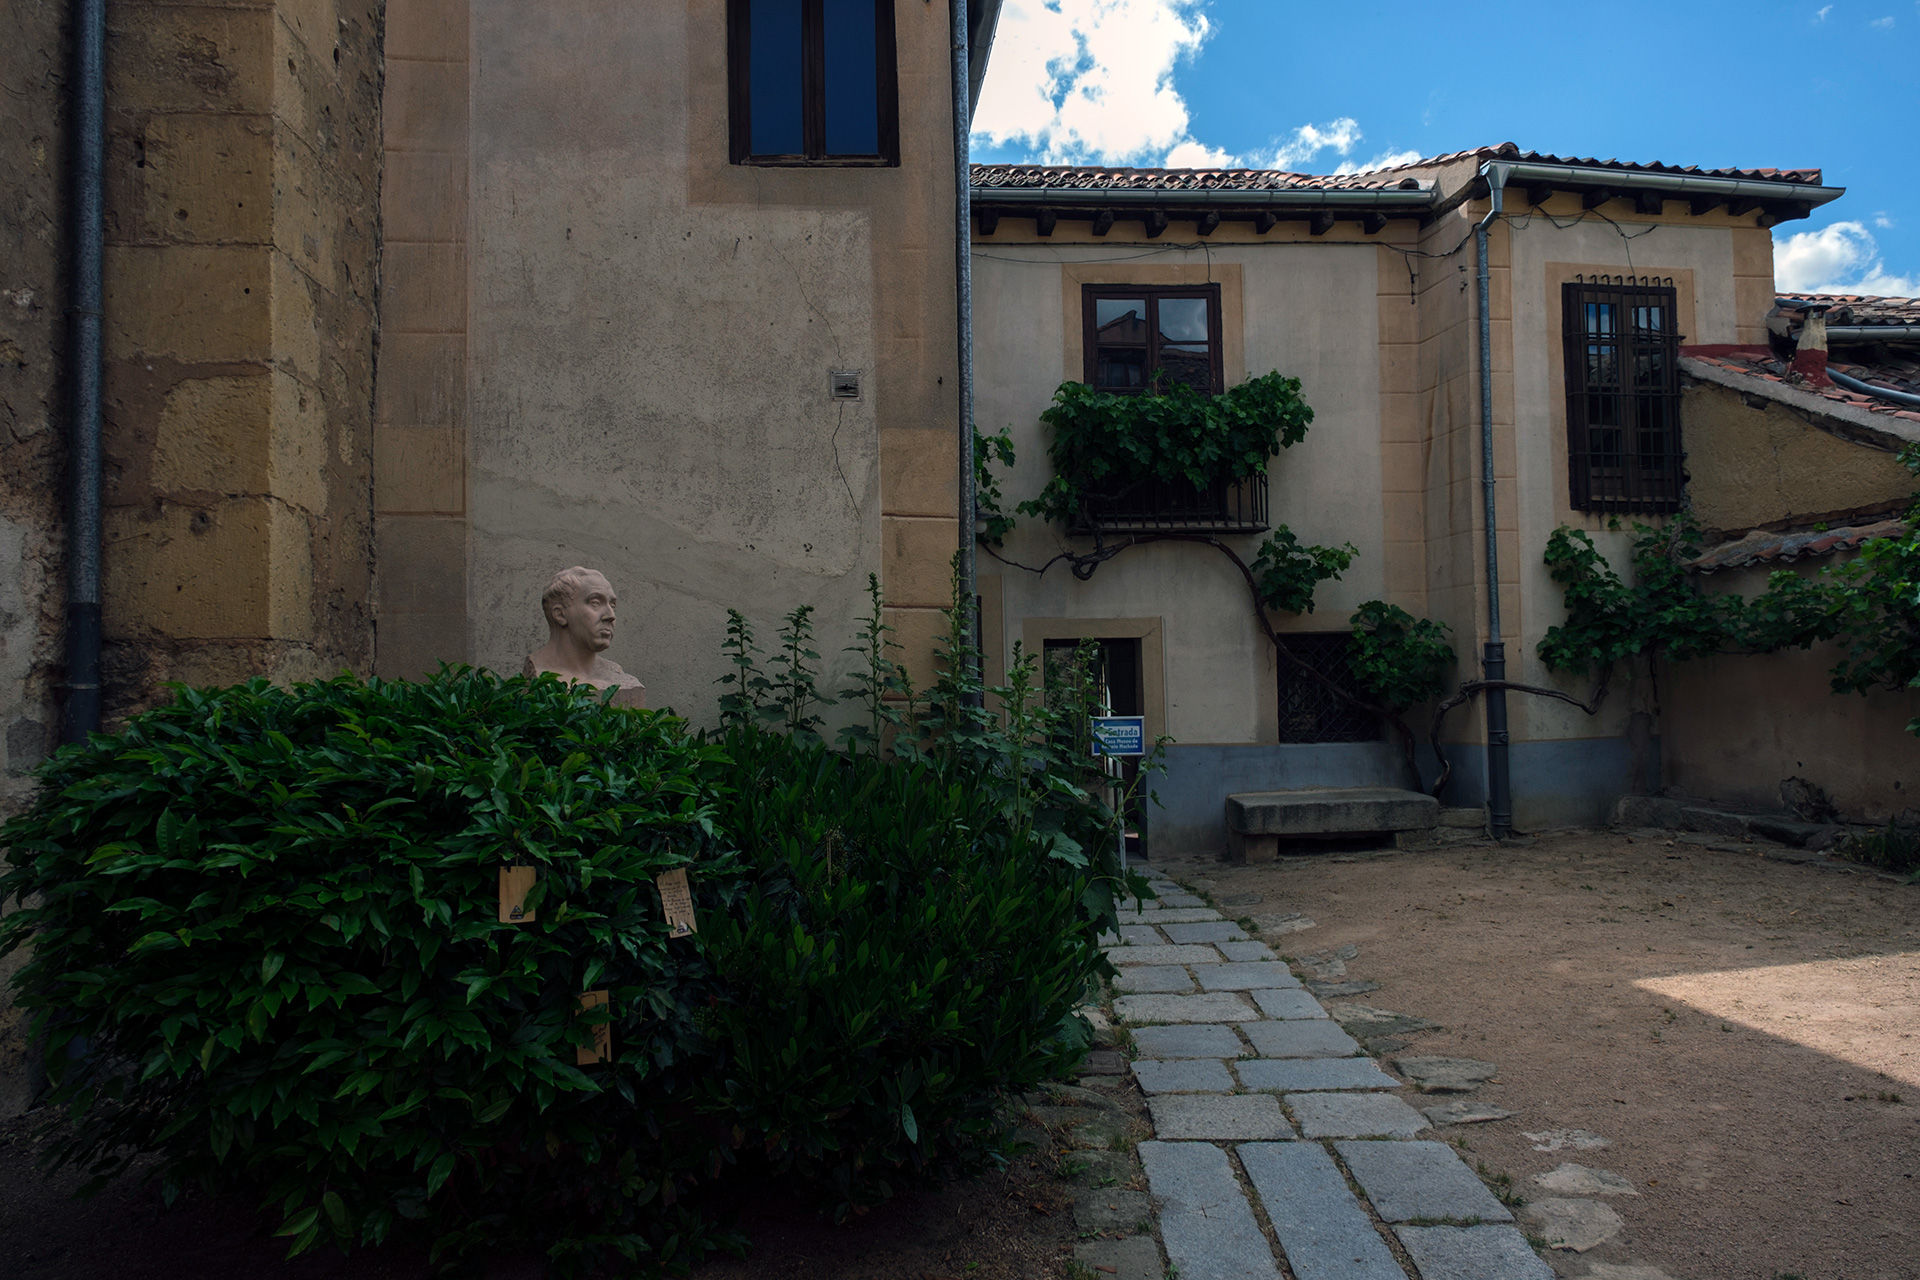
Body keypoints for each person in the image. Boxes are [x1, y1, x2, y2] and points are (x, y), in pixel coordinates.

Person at [523, 566, 647, 708]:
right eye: (595, 603)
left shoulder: (617, 676)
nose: (611, 616)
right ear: (560, 615)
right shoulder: (540, 675)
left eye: (612, 605)